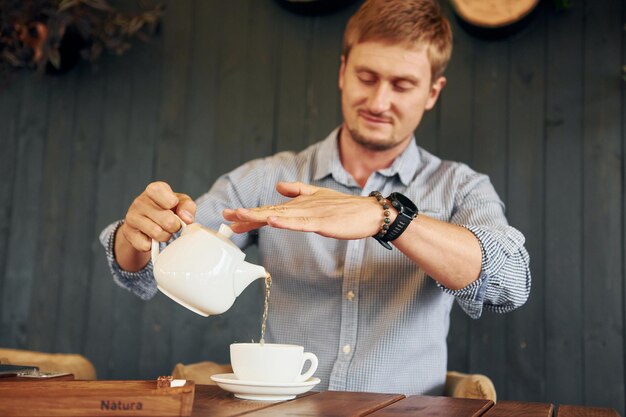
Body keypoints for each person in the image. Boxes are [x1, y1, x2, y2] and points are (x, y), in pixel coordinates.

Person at [100, 0, 530, 396]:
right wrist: (138, 235)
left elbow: (511, 281)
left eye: (402, 85)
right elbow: (153, 269)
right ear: (343, 71)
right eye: (367, 77)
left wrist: (387, 218)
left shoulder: (459, 186)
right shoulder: (267, 178)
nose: (380, 101)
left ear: (433, 92)